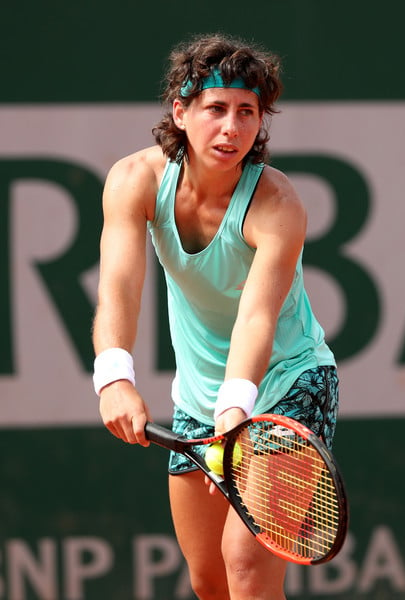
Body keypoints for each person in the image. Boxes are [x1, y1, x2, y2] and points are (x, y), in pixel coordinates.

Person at [92, 32, 339, 600]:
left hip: (284, 388)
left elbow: (257, 318)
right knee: (208, 581)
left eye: (247, 112)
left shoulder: (277, 205)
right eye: (216, 109)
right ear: (180, 112)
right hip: (198, 399)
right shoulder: (136, 181)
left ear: (261, 122)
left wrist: (237, 407)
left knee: (246, 567)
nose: (231, 128)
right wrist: (115, 377)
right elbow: (120, 286)